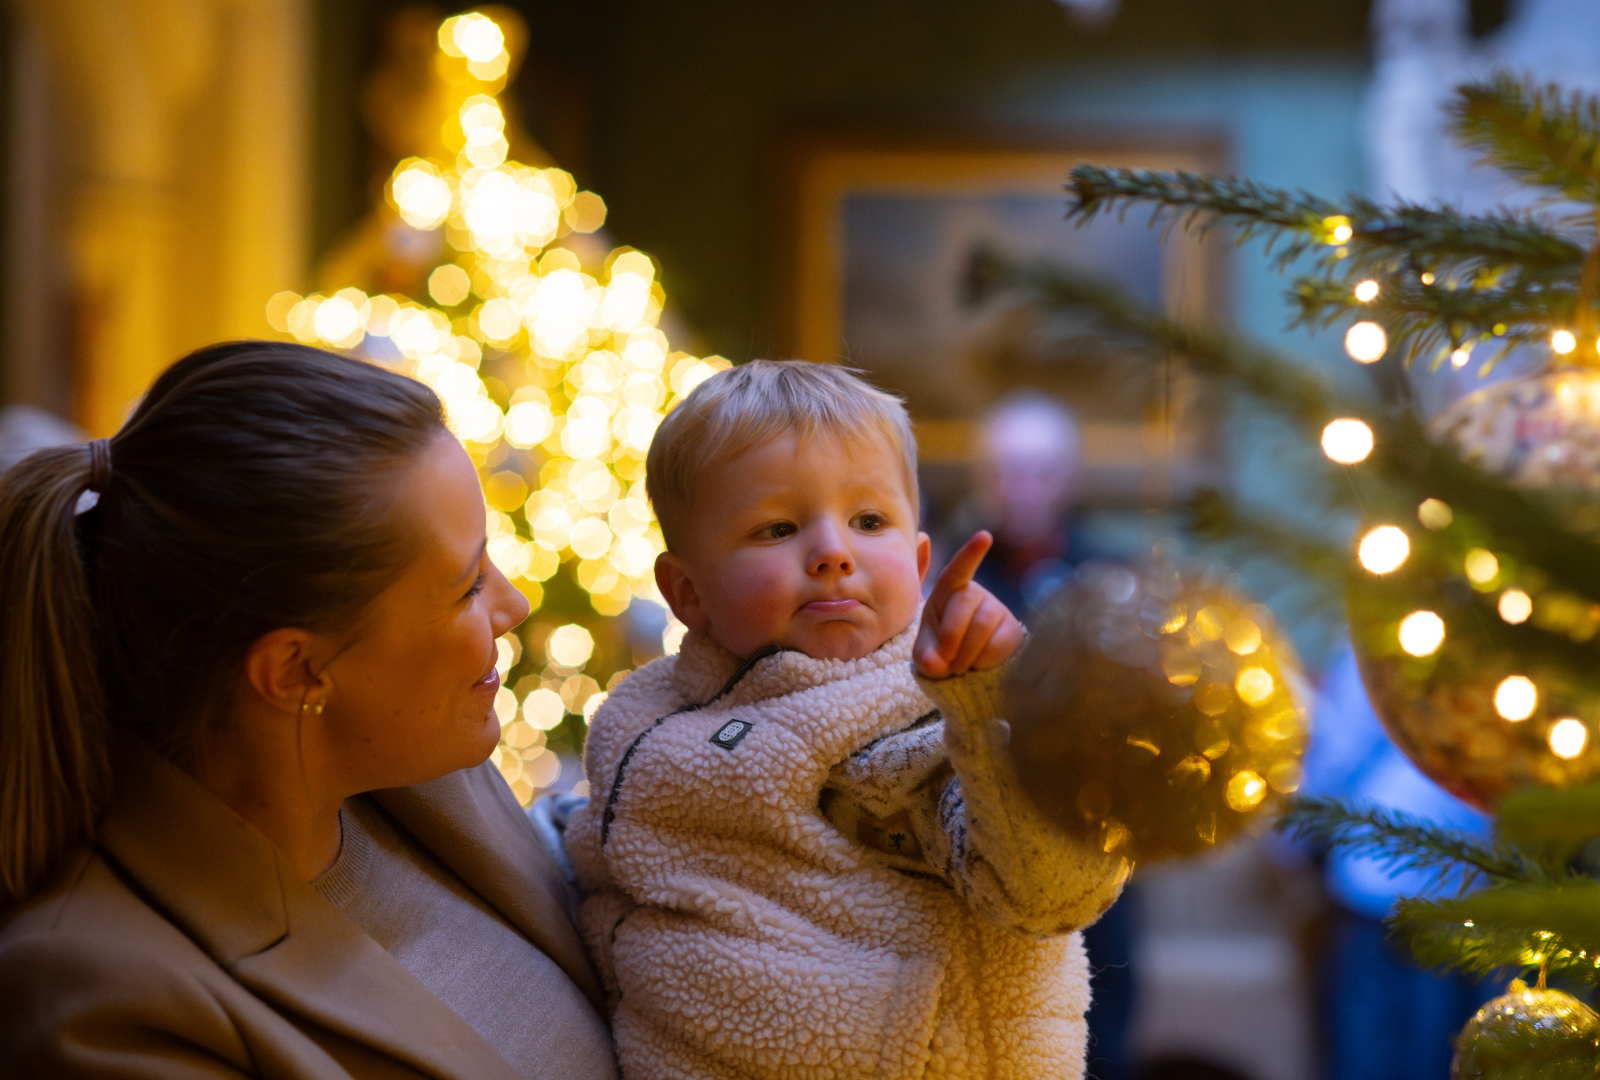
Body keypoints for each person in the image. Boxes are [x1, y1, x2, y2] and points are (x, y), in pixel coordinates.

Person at [0, 342, 616, 1078]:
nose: (513, 604)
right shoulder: (104, 1004)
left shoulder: (416, 765)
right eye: (465, 587)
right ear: (296, 671)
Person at [565, 360, 1131, 1079]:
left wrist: (996, 709)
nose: (833, 552)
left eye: (869, 521)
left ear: (919, 561)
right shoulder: (646, 716)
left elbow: (1052, 889)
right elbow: (603, 856)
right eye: (778, 527)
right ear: (687, 592)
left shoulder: (923, 718)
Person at [1296, 642, 1498, 1080]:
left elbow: (1339, 744)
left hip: (1379, 867)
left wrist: (1291, 838)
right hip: (1470, 871)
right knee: (1441, 1045)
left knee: (1371, 1043)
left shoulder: (1379, 634)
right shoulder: (1496, 626)